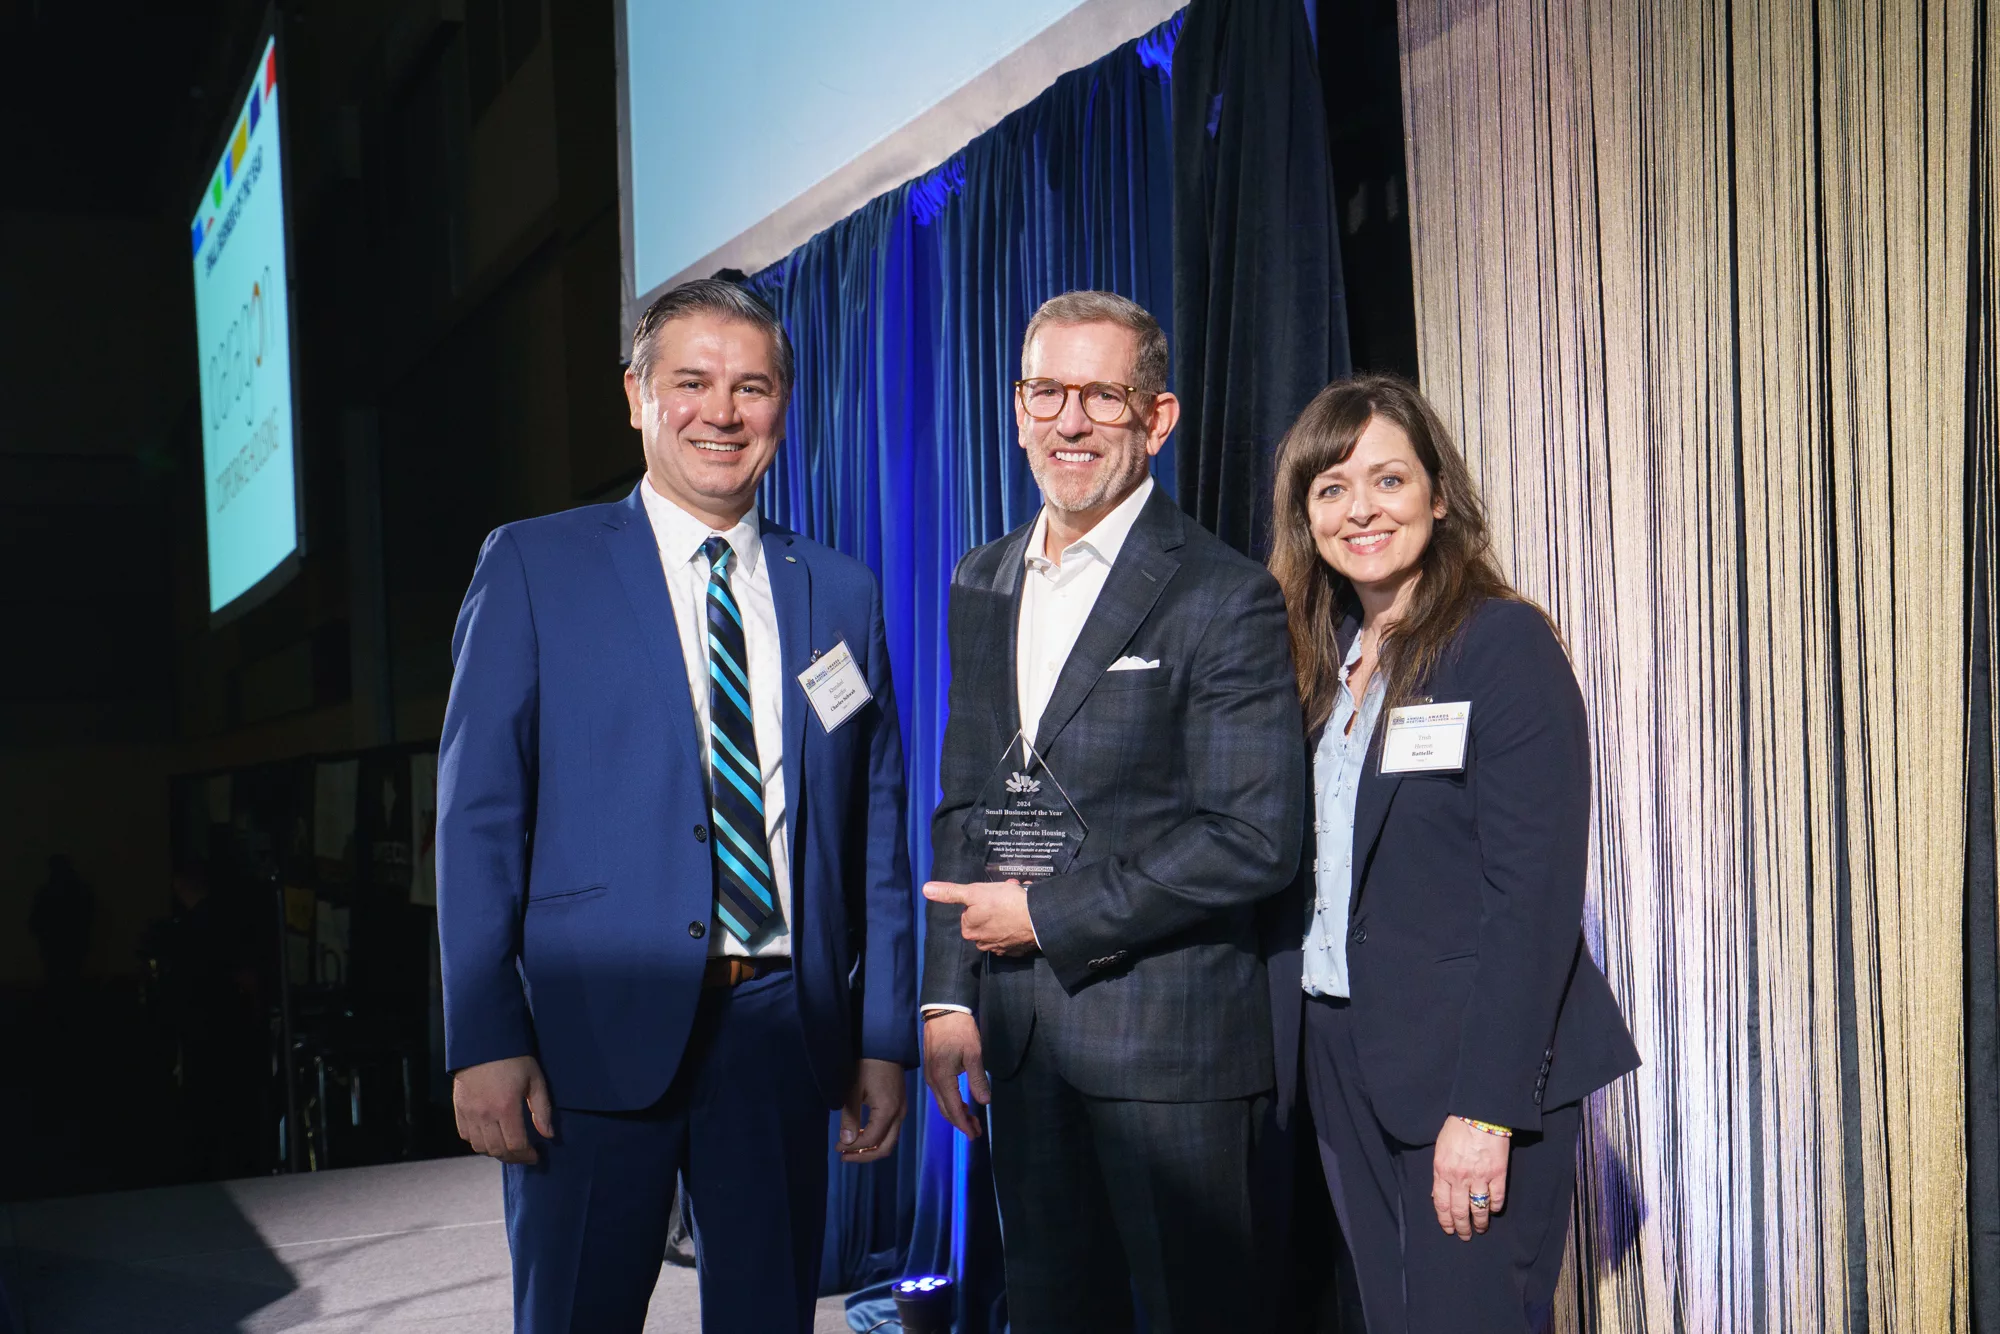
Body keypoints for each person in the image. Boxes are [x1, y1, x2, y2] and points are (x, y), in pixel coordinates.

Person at [438, 278, 916, 1334]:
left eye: (752, 386)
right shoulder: (532, 564)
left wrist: (882, 1036)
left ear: (784, 405)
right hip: (587, 1034)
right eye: (691, 382)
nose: (722, 411)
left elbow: (873, 835)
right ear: (636, 396)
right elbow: (477, 817)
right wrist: (482, 1034)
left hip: (778, 1030)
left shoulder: (840, 590)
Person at [921, 290, 1306, 1332]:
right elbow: (965, 799)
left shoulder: (1222, 594)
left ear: (1157, 417)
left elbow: (1253, 836)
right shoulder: (980, 578)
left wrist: (1048, 917)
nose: (1069, 420)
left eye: (1101, 394)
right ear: (1015, 407)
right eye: (1046, 391)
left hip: (1171, 1056)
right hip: (1020, 1045)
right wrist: (947, 997)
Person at [1264, 374, 1640, 1332]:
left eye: (1388, 480)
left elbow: (1534, 900)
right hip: (1343, 1052)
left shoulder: (1501, 645)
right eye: (1332, 489)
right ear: (1306, 518)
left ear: (1438, 494)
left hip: (1471, 1070)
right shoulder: (1322, 664)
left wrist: (1485, 1111)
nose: (1362, 510)